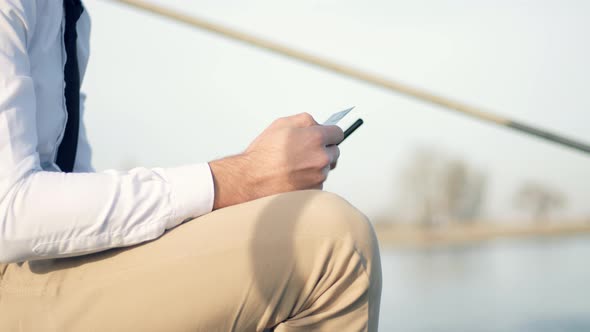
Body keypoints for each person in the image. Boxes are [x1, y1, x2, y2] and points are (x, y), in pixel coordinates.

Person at [0, 1, 382, 331]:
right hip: (13, 274)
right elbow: (9, 212)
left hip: (41, 267)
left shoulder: (72, 17)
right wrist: (241, 178)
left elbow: (70, 196)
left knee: (282, 242)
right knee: (329, 239)